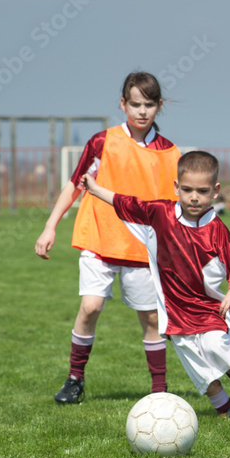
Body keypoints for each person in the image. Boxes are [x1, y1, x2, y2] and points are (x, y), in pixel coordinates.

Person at [81, 151, 230, 419]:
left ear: (215, 191)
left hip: (211, 308)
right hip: (175, 312)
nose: (194, 197)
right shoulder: (160, 213)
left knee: (216, 346)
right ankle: (225, 407)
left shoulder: (217, 228)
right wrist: (96, 189)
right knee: (198, 366)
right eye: (188, 190)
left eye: (202, 191)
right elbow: (127, 203)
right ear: (176, 187)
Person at [35, 72, 179, 405]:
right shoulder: (103, 141)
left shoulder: (170, 152)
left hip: (142, 246)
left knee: (152, 319)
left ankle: (159, 390)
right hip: (98, 237)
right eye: (134, 104)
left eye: (148, 105)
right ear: (123, 104)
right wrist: (50, 225)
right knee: (90, 306)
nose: (141, 111)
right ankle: (75, 379)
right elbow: (74, 184)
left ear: (159, 106)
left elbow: (173, 206)